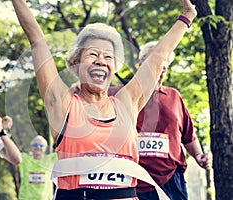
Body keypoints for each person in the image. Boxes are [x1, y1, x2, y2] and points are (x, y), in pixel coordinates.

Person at [12, 0, 197, 199]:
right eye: (93, 54)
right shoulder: (63, 104)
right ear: (76, 64)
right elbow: (37, 39)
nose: (101, 60)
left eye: (108, 57)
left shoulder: (127, 103)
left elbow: (159, 56)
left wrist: (186, 17)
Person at [110, 41, 212, 200]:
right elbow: (91, 95)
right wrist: (78, 87)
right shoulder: (120, 94)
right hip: (132, 181)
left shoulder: (174, 96)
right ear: (140, 65)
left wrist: (199, 155)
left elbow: (188, 136)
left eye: (163, 65)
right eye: (153, 64)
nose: (159, 69)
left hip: (171, 180)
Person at [17, 135, 57, 200]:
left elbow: (65, 149)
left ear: (45, 148)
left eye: (41, 145)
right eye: (35, 145)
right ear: (31, 147)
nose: (38, 147)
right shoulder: (24, 158)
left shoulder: (51, 159)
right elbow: (13, 153)